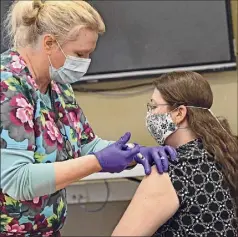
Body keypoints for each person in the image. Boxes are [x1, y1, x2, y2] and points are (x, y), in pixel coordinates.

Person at [0, 1, 178, 236]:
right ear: (49, 43)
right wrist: (98, 162)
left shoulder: (57, 86)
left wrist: (134, 152)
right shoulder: (7, 85)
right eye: (79, 54)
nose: (85, 63)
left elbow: (85, 143)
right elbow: (17, 180)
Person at [112, 71, 238, 237]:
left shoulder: (172, 170)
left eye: (154, 106)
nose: (150, 114)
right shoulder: (226, 153)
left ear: (179, 113)